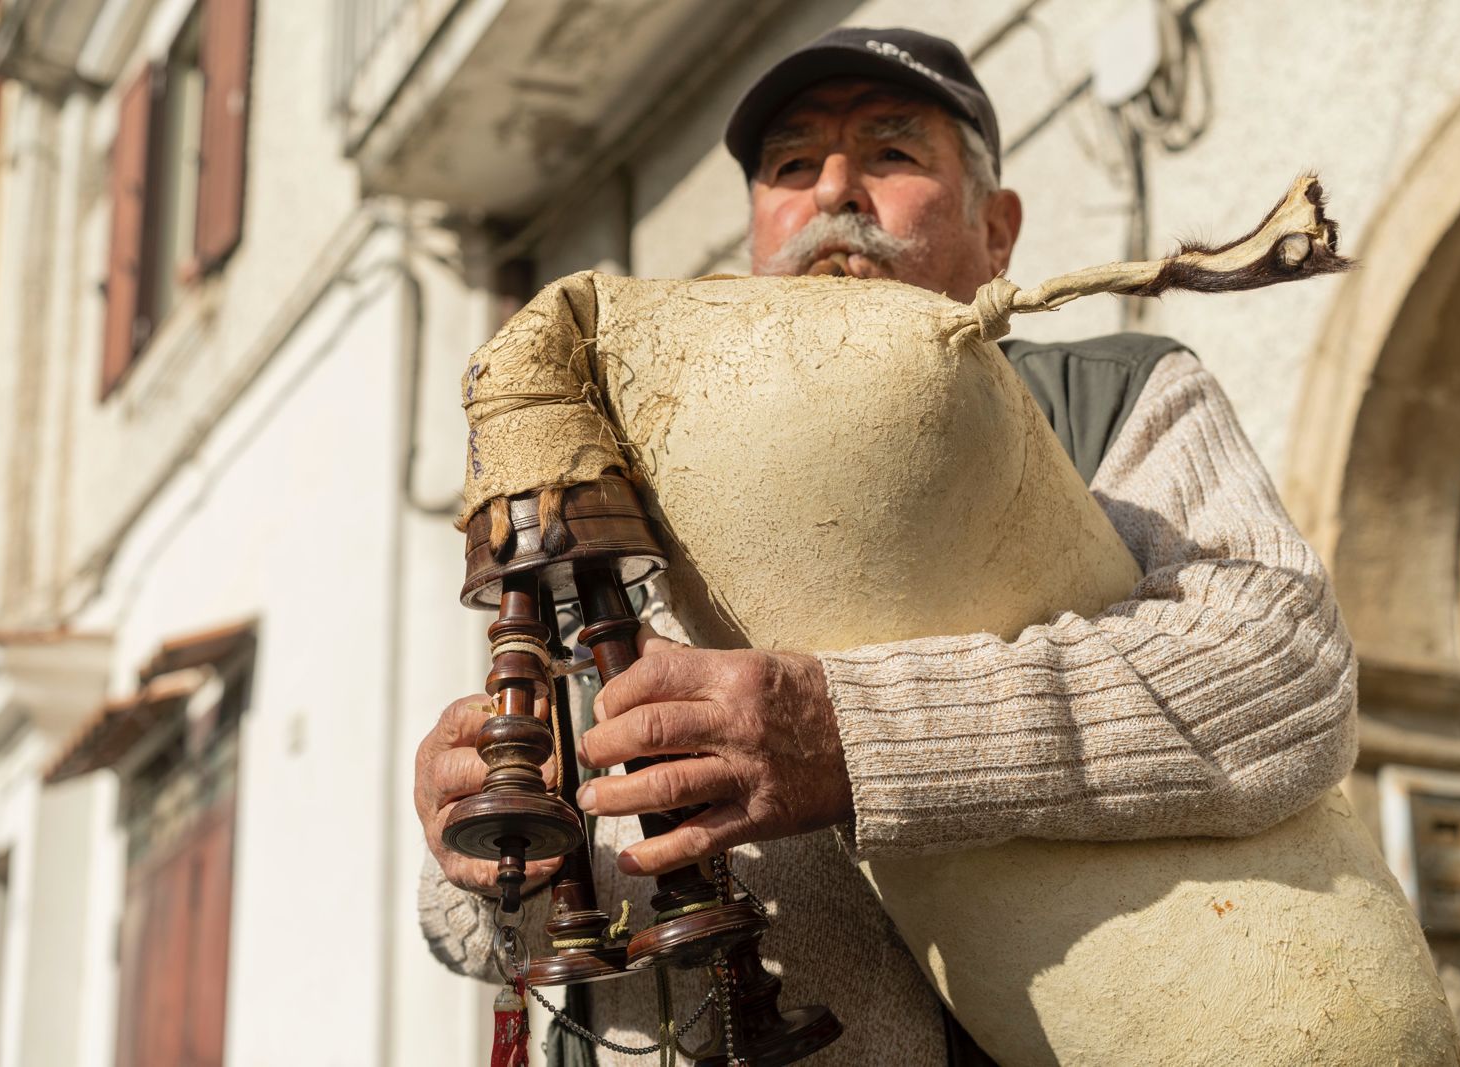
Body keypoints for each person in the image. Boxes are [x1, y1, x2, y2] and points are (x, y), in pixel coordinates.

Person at [414, 27, 1358, 1065]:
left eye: (892, 154)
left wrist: (851, 736)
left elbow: (1282, 673)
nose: (834, 190)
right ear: (753, 231)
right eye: (791, 165)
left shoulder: (1115, 390)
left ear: (996, 231)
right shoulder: (633, 475)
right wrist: (484, 845)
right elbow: (516, 906)